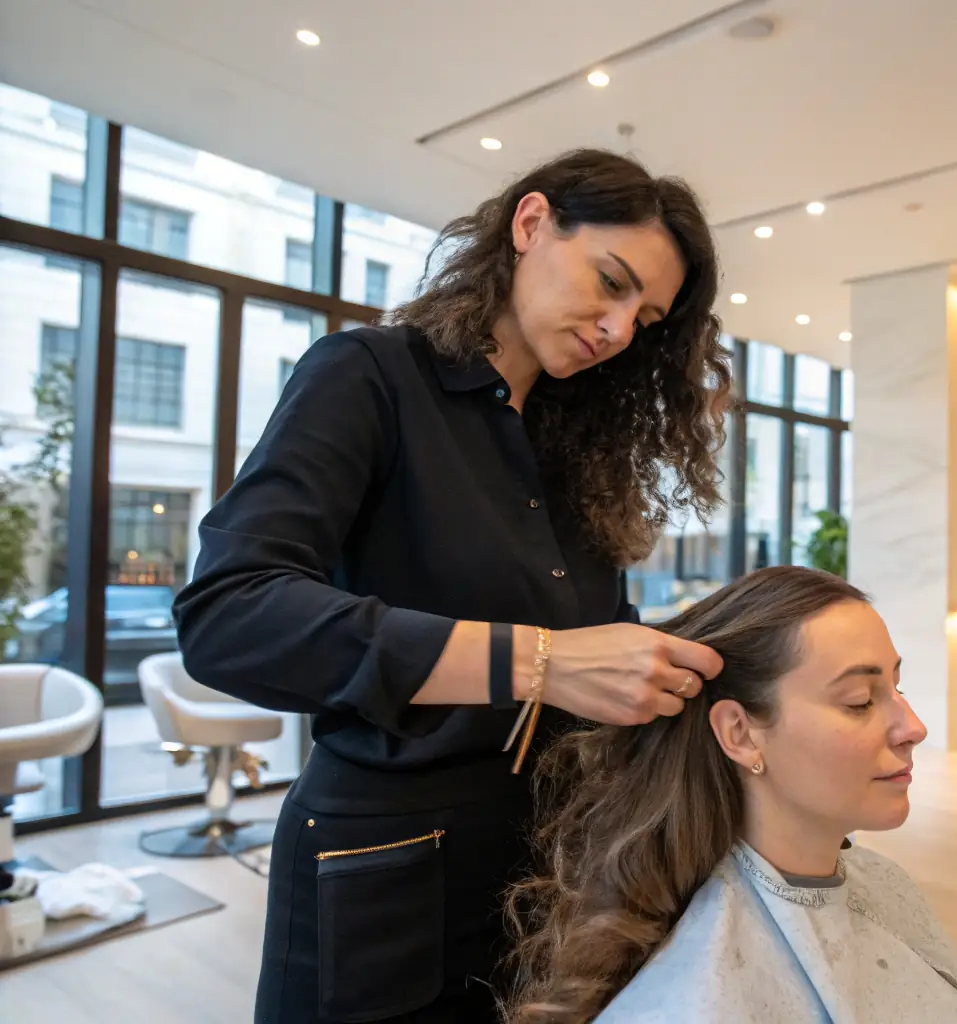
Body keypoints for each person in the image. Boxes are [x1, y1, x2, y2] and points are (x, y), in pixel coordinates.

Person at [171, 149, 729, 1023]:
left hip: (544, 873)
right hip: (383, 868)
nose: (620, 329)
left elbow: (596, 648)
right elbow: (230, 615)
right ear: (531, 224)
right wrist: (537, 663)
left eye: (646, 318)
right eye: (611, 282)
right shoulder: (368, 377)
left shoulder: (578, 455)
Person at [504, 566, 957, 1024]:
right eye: (860, 701)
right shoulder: (697, 998)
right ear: (740, 734)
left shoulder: (884, 880)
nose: (914, 728)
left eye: (897, 688)